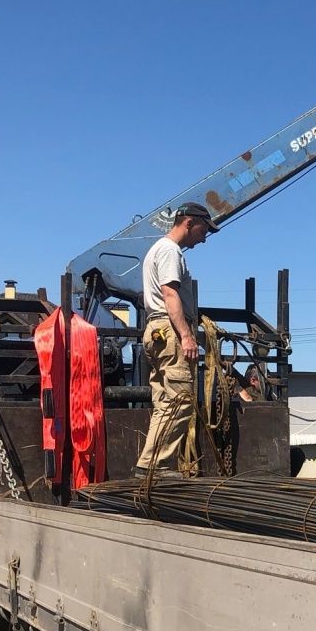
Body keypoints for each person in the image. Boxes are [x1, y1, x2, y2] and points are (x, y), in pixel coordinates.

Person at [134, 201, 219, 475]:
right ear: (189, 223)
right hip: (170, 330)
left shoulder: (156, 250)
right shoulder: (170, 251)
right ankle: (153, 465)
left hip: (156, 330)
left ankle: (150, 465)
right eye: (204, 230)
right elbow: (170, 294)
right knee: (181, 399)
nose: (204, 239)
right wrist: (186, 335)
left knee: (165, 403)